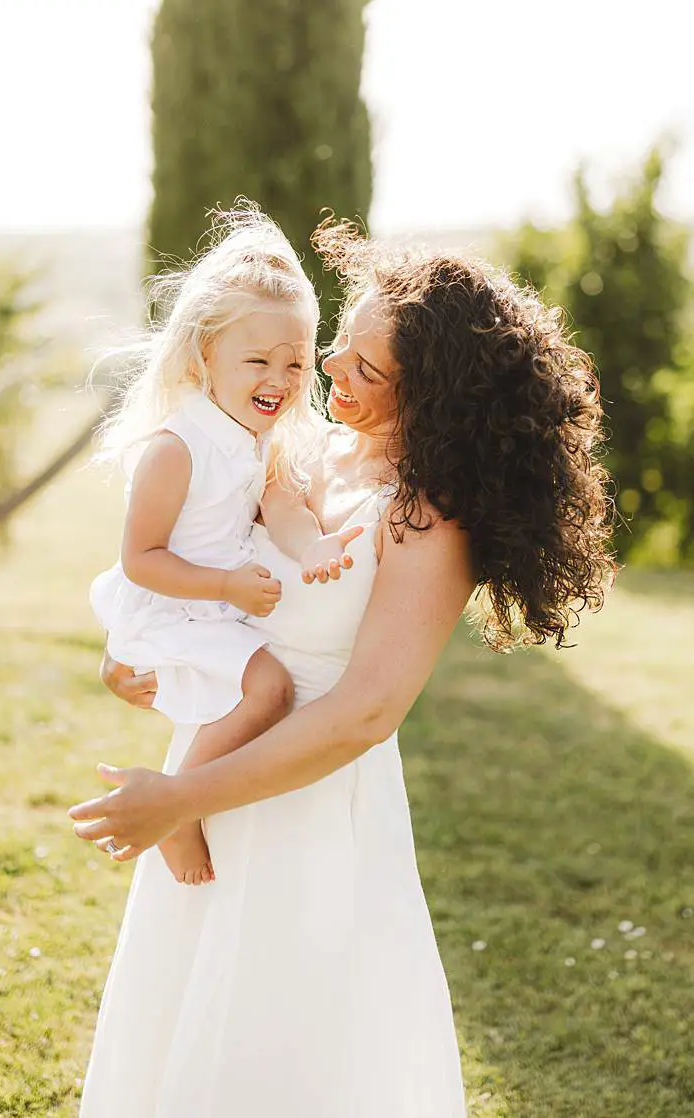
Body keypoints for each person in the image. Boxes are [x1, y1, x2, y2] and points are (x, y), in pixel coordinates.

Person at [69, 219, 614, 1116]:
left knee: (286, 1047)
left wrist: (180, 801)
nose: (327, 375)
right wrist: (138, 647)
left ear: (435, 395)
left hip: (310, 804)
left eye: (366, 370)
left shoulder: (429, 518)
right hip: (214, 766)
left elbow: (366, 712)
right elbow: (198, 567)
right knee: (186, 1019)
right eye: (338, 350)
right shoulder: (303, 448)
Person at [87, 207, 358, 884]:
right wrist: (227, 588)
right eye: (258, 359)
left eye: (295, 361)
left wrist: (315, 550)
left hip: (217, 606)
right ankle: (176, 809)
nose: (280, 377)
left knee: (262, 694)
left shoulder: (260, 438)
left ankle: (185, 798)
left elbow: (283, 507)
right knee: (269, 690)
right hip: (177, 602)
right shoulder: (178, 449)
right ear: (205, 356)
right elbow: (140, 559)